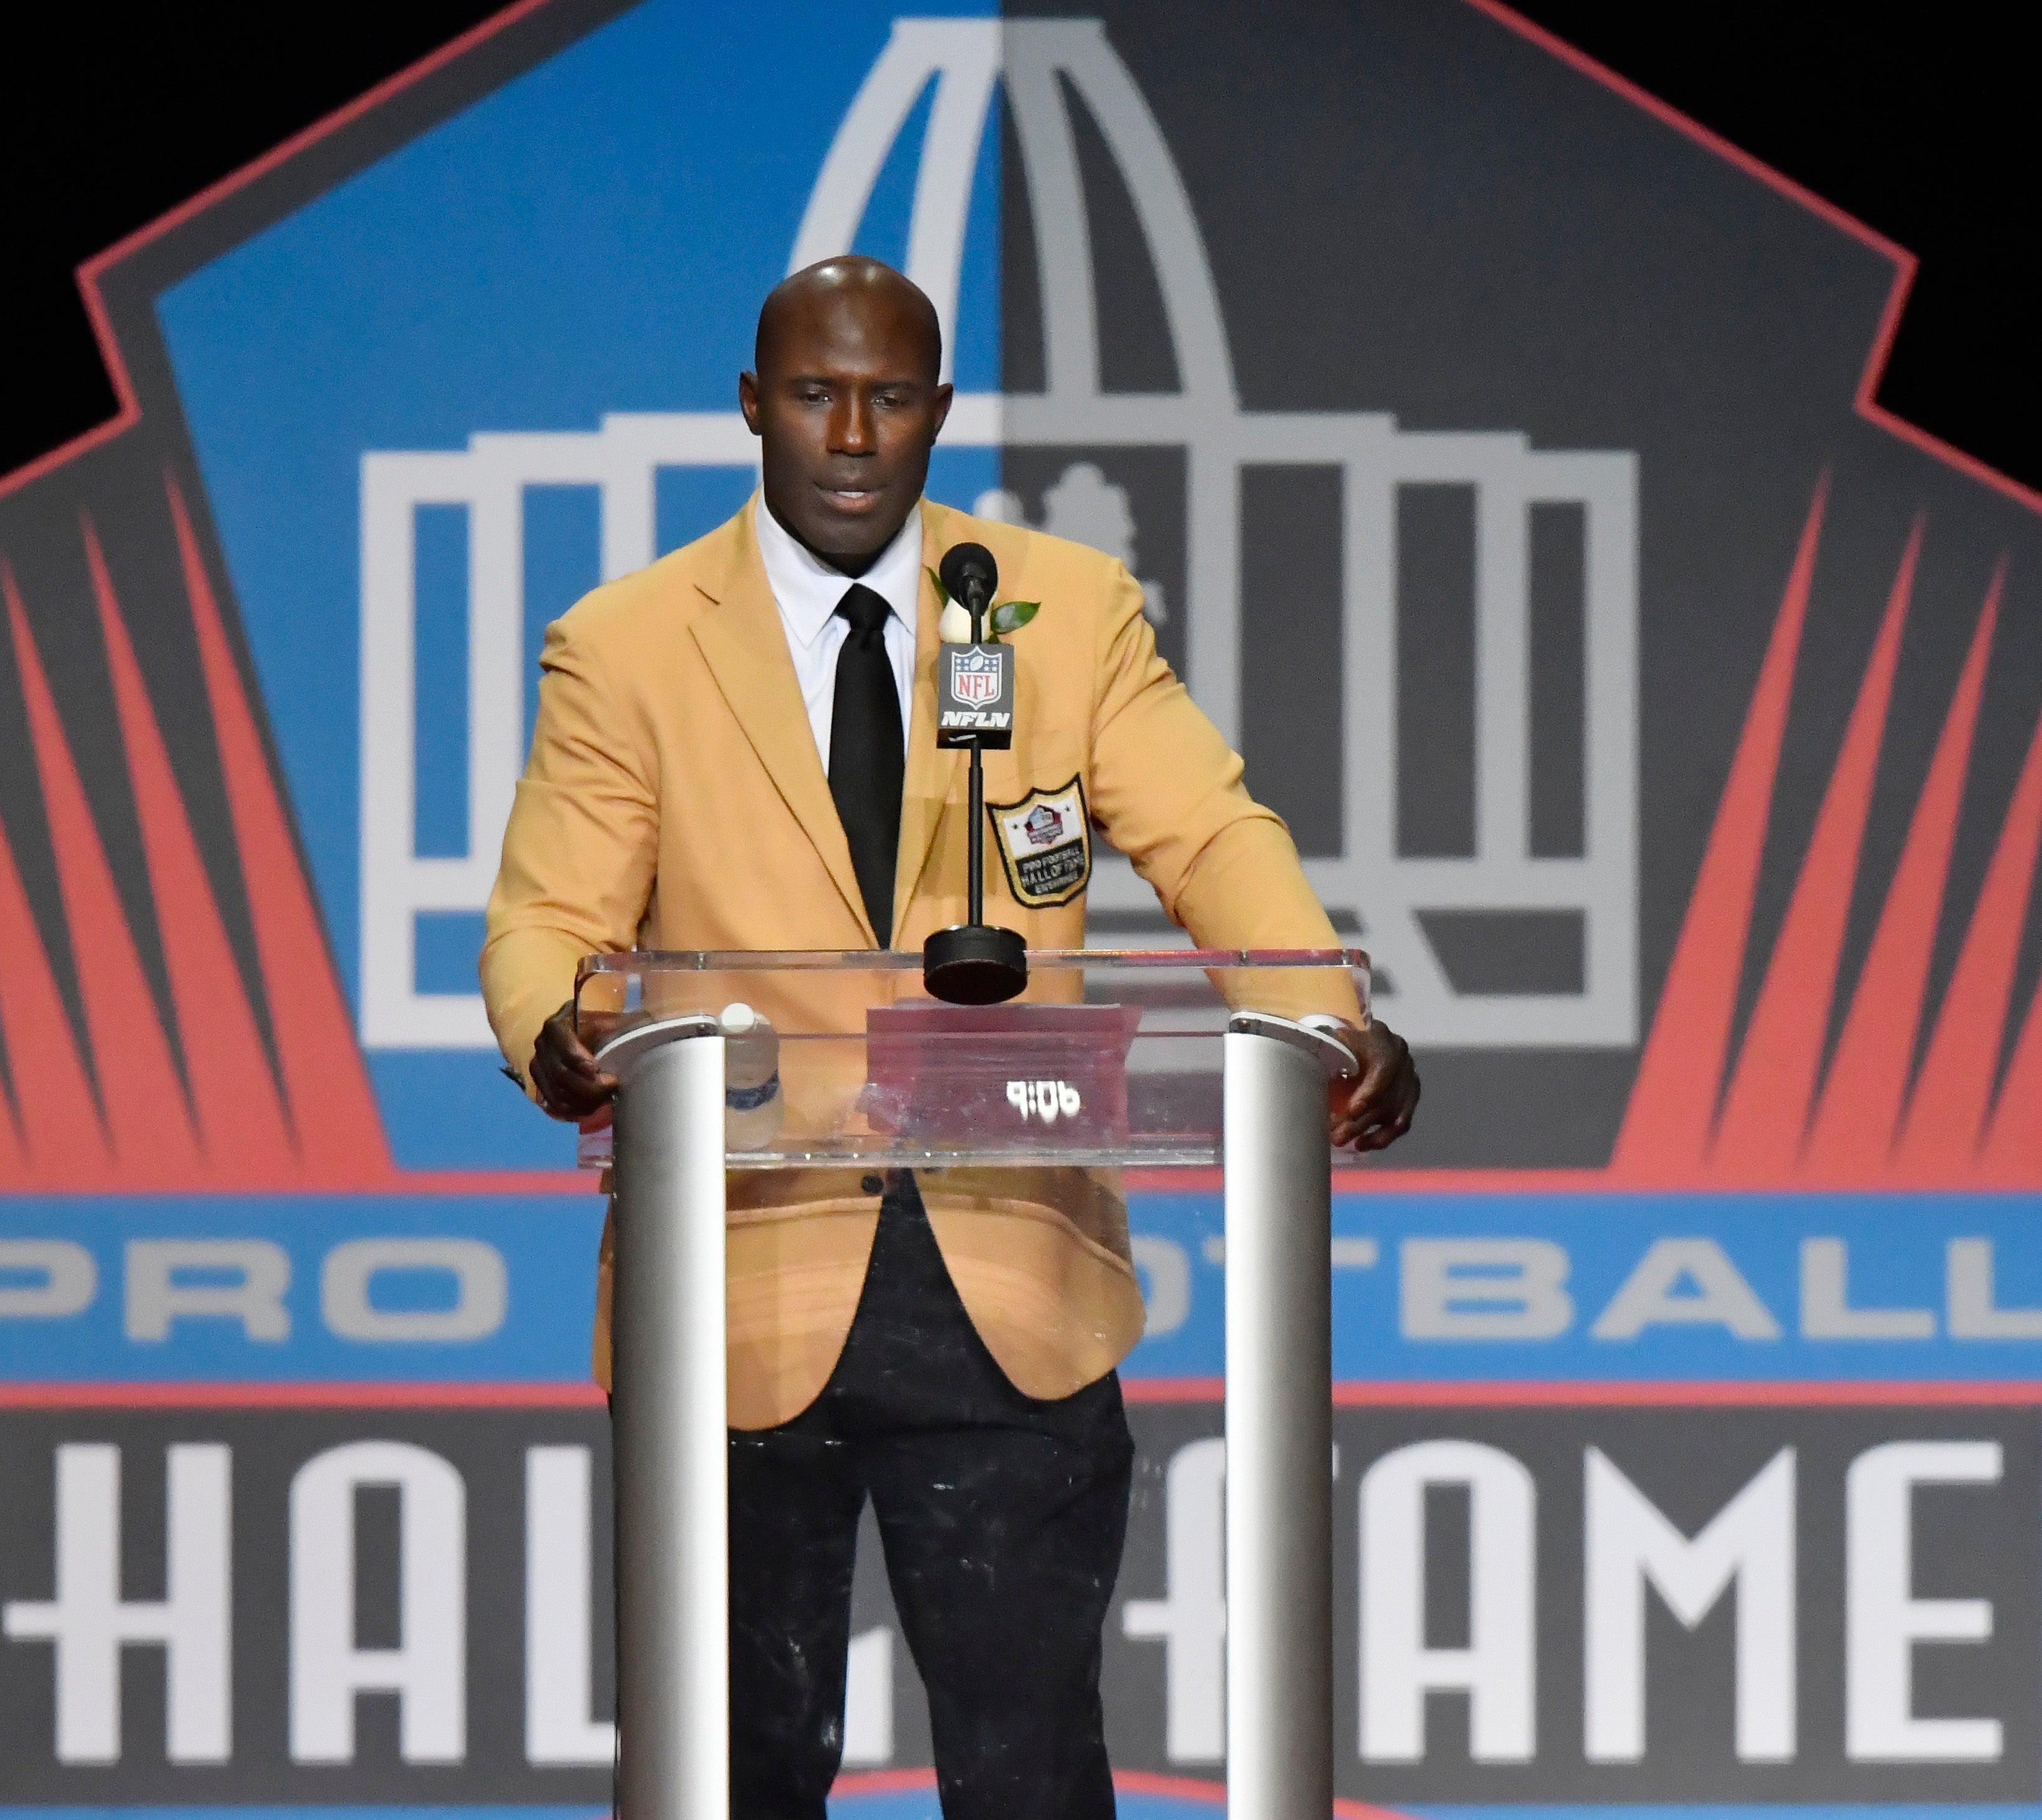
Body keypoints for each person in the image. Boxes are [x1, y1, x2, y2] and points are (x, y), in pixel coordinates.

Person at [482, 255, 1418, 1818]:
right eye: (814, 395)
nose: (851, 434)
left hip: (1007, 1272)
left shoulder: (1055, 608)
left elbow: (1210, 834)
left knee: (1031, 1769)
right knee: (734, 1773)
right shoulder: (630, 645)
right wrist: (557, 1032)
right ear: (750, 410)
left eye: (891, 397)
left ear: (938, 416)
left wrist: (1322, 1013)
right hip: (733, 1280)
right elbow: (544, 918)